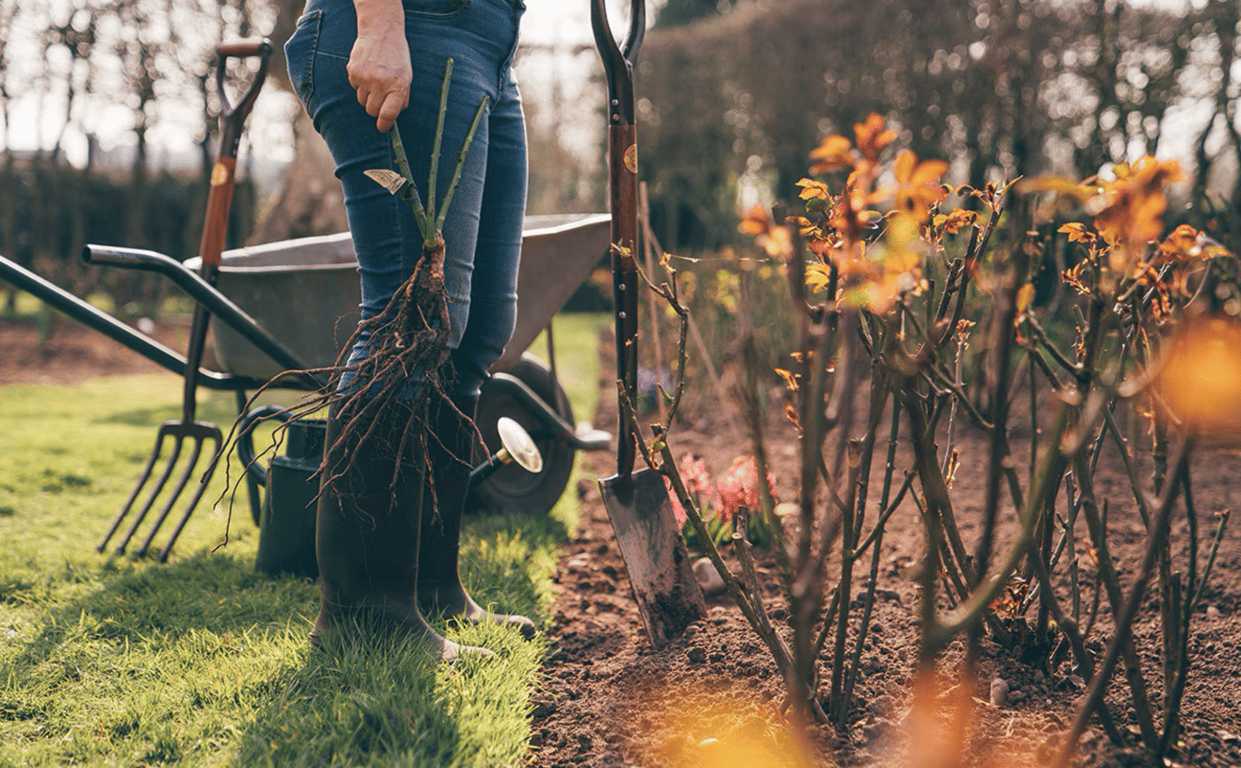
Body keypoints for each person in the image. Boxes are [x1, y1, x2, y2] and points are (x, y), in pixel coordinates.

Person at [283, 0, 535, 657]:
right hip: (412, 24)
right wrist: (380, 23)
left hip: (489, 47)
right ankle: (366, 615)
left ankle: (429, 589)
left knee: (474, 332)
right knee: (410, 321)